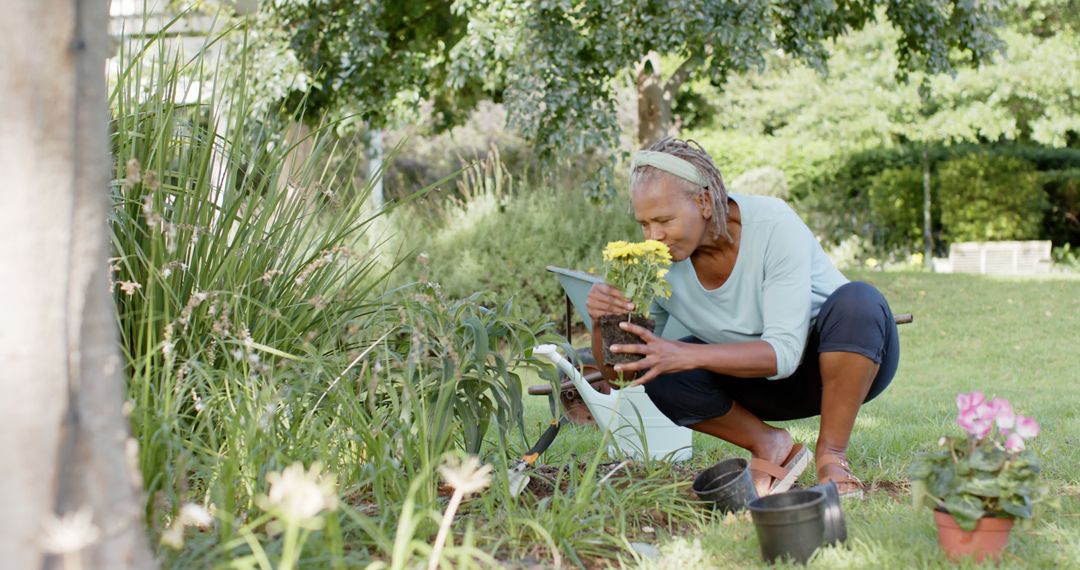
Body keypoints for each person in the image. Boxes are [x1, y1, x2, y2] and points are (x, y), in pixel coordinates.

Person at [586, 137, 899, 497]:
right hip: (756, 382)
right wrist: (602, 322)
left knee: (859, 300)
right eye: (644, 224)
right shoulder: (652, 263)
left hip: (845, 364)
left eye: (664, 220)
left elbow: (783, 356)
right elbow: (622, 375)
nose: (653, 236)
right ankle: (770, 445)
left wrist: (683, 353)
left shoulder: (772, 224)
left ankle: (831, 456)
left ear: (703, 202)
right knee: (661, 370)